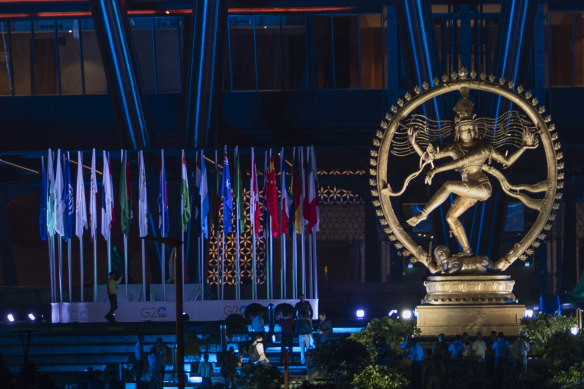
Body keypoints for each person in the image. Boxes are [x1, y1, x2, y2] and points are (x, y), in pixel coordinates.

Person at [405, 92, 538, 260]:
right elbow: (427, 158)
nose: (467, 132)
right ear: (457, 131)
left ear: (475, 129)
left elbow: (507, 160)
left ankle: (423, 214)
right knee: (450, 217)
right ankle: (467, 250)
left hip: (482, 187)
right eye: (463, 129)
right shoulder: (454, 148)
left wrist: (525, 147)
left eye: (470, 128)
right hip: (467, 191)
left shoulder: (484, 148)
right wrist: (414, 143)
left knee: (447, 185)